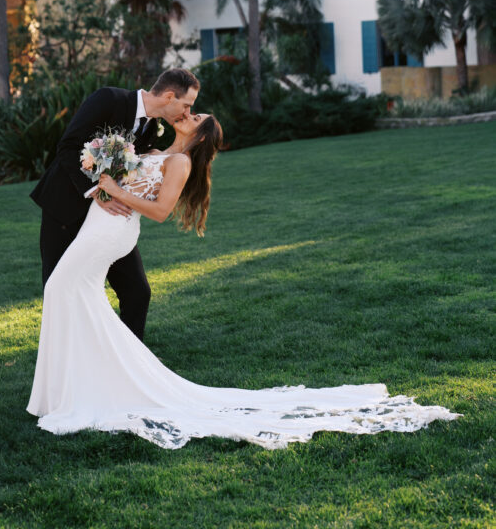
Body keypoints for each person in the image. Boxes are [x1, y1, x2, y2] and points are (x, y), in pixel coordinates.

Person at [27, 110, 460, 451]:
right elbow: (128, 185)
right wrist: (107, 182)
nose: (188, 116)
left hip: (112, 231)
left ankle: (83, 387)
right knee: (70, 292)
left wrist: (115, 191)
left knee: (63, 288)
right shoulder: (155, 147)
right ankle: (78, 386)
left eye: (195, 118)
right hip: (101, 220)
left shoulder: (179, 161)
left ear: (199, 137)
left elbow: (158, 211)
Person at [29, 68, 200, 341]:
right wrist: (98, 192)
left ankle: (131, 365)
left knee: (137, 291)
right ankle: (66, 361)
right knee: (58, 287)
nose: (187, 112)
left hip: (108, 223)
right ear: (169, 96)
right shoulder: (108, 99)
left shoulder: (150, 129)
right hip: (65, 209)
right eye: (186, 105)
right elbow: (68, 146)